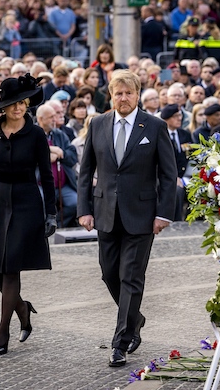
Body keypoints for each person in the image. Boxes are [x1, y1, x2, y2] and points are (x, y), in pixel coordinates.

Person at [77, 69, 177, 367]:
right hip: (105, 213)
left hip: (142, 217)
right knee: (109, 273)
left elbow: (168, 175)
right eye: (118, 93)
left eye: (128, 93)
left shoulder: (155, 126)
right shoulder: (97, 124)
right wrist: (84, 209)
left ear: (137, 95)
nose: (123, 98)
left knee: (130, 276)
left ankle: (121, 342)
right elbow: (85, 173)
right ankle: (135, 317)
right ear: (111, 95)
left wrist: (163, 214)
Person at [0, 74, 57, 356]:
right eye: (13, 103)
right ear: (3, 106)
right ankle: (22, 308)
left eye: (23, 102)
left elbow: (47, 176)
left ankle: (2, 330)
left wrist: (51, 213)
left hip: (26, 203)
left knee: (10, 269)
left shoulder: (36, 134)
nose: (19, 108)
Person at [36, 104, 78, 228]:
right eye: (50, 117)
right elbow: (28, 155)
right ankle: (41, 228)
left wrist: (61, 153)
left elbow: (72, 156)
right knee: (40, 202)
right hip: (39, 183)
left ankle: (56, 225)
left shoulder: (59, 134)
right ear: (40, 119)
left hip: (62, 184)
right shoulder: (33, 134)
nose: (54, 119)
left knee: (74, 203)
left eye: (55, 116)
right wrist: (47, 153)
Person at [161, 103, 193, 221]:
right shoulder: (161, 135)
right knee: (177, 191)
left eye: (180, 115)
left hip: (185, 176)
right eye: (175, 116)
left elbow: (191, 156)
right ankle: (176, 221)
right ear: (167, 119)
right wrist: (174, 177)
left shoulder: (184, 134)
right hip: (166, 176)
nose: (179, 118)